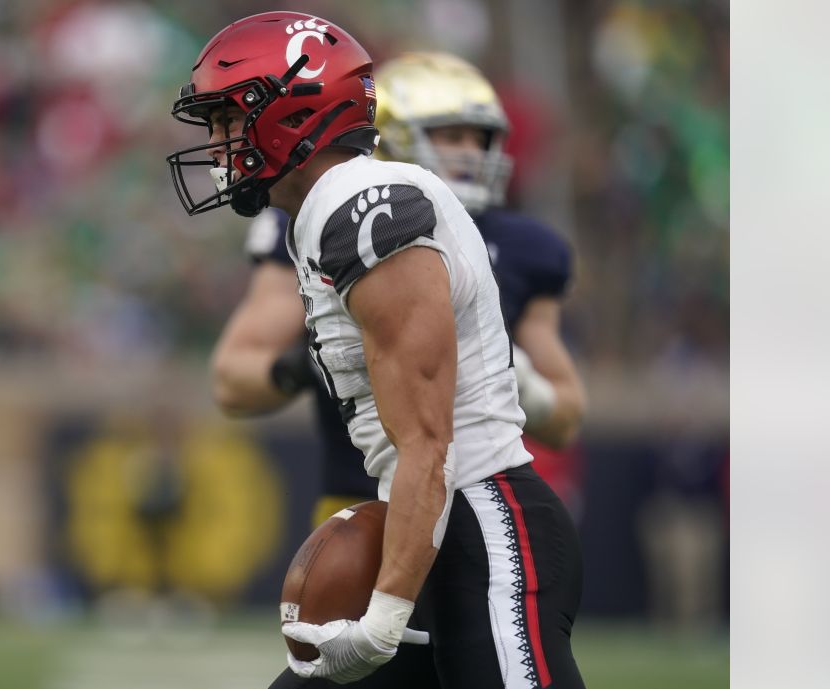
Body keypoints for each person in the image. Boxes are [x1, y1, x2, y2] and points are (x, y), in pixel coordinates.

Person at [168, 12, 594, 689]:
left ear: (289, 112)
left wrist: (384, 618)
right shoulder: (324, 213)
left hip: (487, 534)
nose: (218, 144)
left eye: (228, 118)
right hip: (437, 530)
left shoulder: (367, 207)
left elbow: (429, 444)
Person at [211, 51, 586, 529]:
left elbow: (567, 418)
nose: (470, 153)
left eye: (480, 138)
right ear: (389, 138)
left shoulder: (524, 247)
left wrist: (517, 378)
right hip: (362, 506)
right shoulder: (320, 223)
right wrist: (306, 366)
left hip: (479, 506)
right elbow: (232, 381)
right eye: (449, 136)